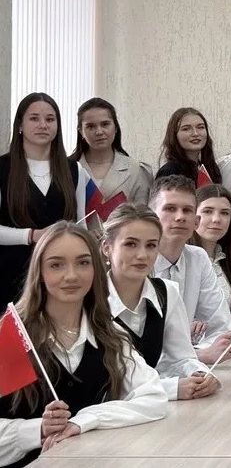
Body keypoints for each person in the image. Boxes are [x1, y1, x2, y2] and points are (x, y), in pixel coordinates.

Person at [0, 222, 167, 467]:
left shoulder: (111, 336)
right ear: (39, 273)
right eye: (56, 265)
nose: (71, 276)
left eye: (83, 263)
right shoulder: (9, 336)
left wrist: (84, 421)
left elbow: (154, 398)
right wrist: (38, 430)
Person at [103, 203, 217, 402]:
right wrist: (171, 388)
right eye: (130, 244)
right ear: (107, 248)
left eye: (151, 245)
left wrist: (200, 375)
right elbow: (106, 385)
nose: (142, 255)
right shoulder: (91, 300)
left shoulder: (166, 292)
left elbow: (182, 357)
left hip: (151, 410)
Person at [0, 93, 90, 308]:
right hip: (10, 275)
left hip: (62, 276)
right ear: (20, 125)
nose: (43, 125)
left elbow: (81, 224)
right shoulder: (3, 168)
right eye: (34, 118)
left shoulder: (74, 169)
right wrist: (31, 235)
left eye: (50, 119)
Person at [148, 176, 231, 366]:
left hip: (188, 371)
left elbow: (222, 327)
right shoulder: (137, 262)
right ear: (151, 217)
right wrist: (198, 356)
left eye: (187, 210)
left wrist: (197, 353)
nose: (180, 217)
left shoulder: (198, 258)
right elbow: (135, 352)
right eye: (170, 208)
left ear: (196, 222)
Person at [69, 98, 152, 207]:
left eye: (105, 124)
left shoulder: (136, 170)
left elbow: (143, 213)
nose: (99, 132)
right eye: (90, 126)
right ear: (81, 131)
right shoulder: (67, 169)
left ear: (116, 127)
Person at [192, 184, 231, 320]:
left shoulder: (230, 261)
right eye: (208, 211)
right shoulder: (181, 259)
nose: (216, 219)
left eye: (225, 213)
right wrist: (229, 322)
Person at [155, 107, 222, 185]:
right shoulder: (170, 172)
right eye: (186, 129)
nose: (195, 133)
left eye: (200, 127)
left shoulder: (211, 168)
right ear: (174, 135)